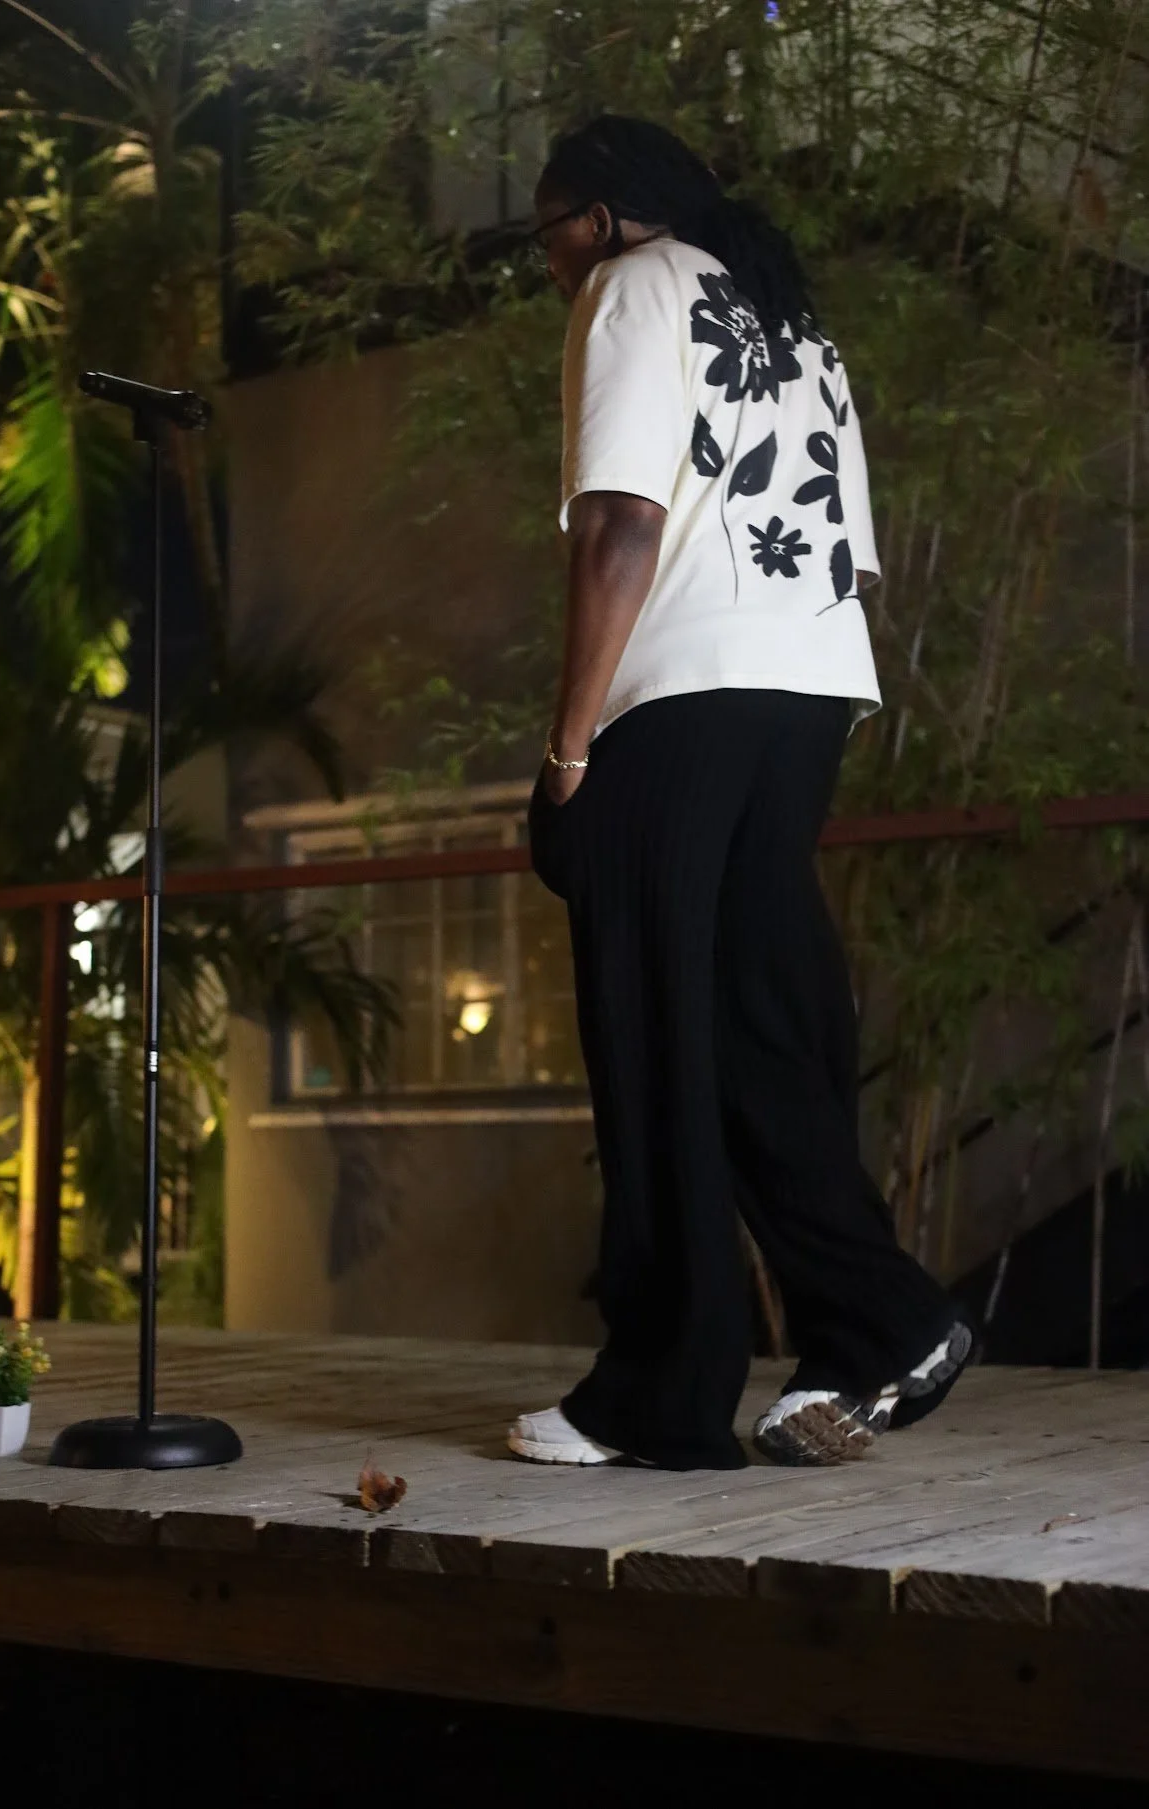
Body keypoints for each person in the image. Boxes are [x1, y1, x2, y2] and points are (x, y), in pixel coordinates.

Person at [506, 114, 971, 1472]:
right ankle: (879, 1317)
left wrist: (569, 749)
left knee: (651, 1028)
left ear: (598, 219)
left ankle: (658, 1388)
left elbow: (621, 524)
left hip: (681, 698)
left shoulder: (629, 289)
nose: (547, 264)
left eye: (546, 235)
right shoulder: (787, 315)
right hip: (809, 684)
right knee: (752, 1028)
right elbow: (848, 553)